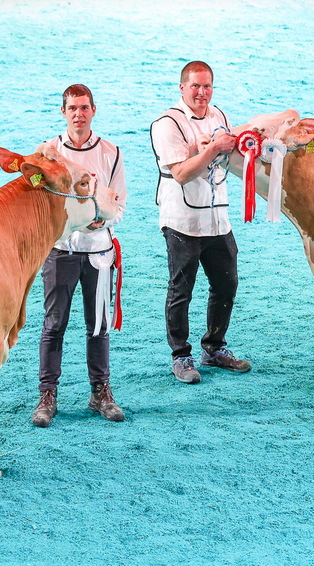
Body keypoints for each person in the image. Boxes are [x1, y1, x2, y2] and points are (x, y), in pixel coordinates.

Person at [31, 84, 128, 427]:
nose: (78, 113)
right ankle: (47, 395)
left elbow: (119, 204)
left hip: (100, 252)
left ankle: (100, 392)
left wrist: (102, 218)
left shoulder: (111, 152)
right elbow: (41, 203)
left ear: (93, 110)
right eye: (72, 108)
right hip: (60, 251)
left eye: (84, 107)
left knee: (99, 325)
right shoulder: (48, 152)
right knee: (53, 324)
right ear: (63, 112)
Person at [149, 61, 251, 385]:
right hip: (182, 219)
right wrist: (213, 149)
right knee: (182, 289)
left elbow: (228, 156)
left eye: (207, 86)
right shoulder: (167, 123)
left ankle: (214, 347)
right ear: (182, 88)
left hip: (218, 216)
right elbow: (180, 173)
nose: (202, 93)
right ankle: (181, 355)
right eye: (195, 86)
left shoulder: (219, 115)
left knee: (227, 283)